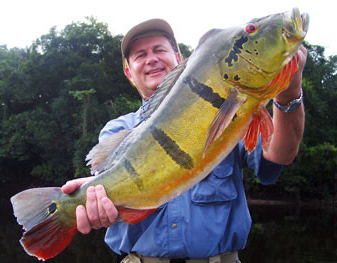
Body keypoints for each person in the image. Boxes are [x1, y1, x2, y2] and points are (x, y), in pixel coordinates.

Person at [62, 18, 306, 263]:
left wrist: (290, 93)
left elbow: (280, 154)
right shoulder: (118, 130)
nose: (152, 59)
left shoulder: (236, 109)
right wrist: (92, 204)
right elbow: (104, 188)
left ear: (180, 58)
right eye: (140, 55)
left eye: (159, 50)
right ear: (129, 72)